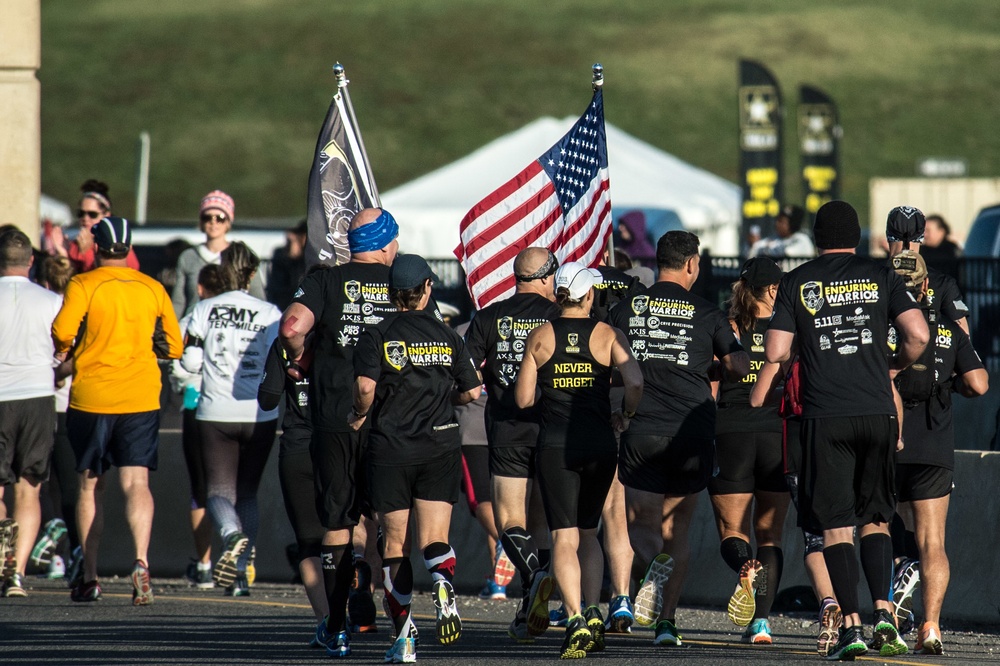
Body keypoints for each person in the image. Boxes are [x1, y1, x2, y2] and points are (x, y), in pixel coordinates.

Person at [764, 200, 929, 660]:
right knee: (877, 517)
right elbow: (917, 334)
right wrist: (891, 366)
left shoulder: (797, 281)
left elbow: (776, 351)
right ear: (857, 236)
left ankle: (851, 626)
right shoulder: (881, 275)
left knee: (836, 526)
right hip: (877, 411)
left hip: (824, 415)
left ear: (816, 238)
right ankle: (885, 616)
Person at [608, 230, 749, 646]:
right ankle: (667, 622)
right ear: (691, 264)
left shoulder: (626, 309)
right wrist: (715, 370)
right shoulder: (708, 313)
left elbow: (604, 358)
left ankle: (651, 567)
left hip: (642, 427)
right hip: (692, 429)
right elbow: (738, 364)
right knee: (679, 530)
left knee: (639, 523)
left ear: (659, 261)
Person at [280, 208, 401, 656]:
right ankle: (400, 626)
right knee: (392, 522)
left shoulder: (325, 281)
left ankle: (335, 626)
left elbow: (292, 327)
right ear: (387, 244)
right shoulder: (399, 281)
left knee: (338, 521)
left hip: (335, 417)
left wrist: (300, 359)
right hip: (392, 420)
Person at [350, 253, 482, 664]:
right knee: (434, 539)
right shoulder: (447, 335)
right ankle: (443, 581)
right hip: (440, 444)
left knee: (394, 545)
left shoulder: (378, 333)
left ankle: (405, 636)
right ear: (428, 289)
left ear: (392, 293)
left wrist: (358, 414)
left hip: (391, 449)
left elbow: (366, 388)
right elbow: (473, 392)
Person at [51, 216, 183, 605]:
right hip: (140, 397)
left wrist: (73, 347)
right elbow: (174, 345)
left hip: (92, 397)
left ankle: (90, 575)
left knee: (91, 486)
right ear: (129, 248)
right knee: (137, 484)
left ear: (97, 246)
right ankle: (141, 561)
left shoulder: (83, 284)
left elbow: (61, 331)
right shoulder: (152, 287)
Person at [515, 261, 643, 659]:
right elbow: (635, 380)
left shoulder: (540, 335)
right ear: (590, 296)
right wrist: (626, 414)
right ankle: (591, 610)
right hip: (600, 443)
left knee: (563, 536)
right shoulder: (608, 334)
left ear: (559, 295)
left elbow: (522, 400)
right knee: (589, 532)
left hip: (556, 446)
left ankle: (573, 620)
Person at [886, 250, 987, 655]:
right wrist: (954, 382)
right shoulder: (948, 328)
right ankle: (930, 626)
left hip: (886, 444)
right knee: (933, 542)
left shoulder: (878, 326)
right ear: (928, 287)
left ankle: (886, 615)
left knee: (881, 530)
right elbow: (979, 385)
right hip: (934, 445)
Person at [463, 247, 561, 641]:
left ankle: (533, 583)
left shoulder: (489, 318)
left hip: (506, 429)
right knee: (540, 524)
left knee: (509, 522)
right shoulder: (559, 319)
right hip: (553, 431)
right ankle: (532, 599)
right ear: (545, 277)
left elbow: (466, 376)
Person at [180, 242, 281, 597]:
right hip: (260, 413)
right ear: (252, 274)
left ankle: (229, 535)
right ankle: (239, 572)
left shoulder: (203, 309)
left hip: (214, 412)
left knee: (218, 491)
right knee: (248, 493)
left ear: (221, 271)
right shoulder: (270, 313)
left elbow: (189, 362)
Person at [709, 257, 789, 644]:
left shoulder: (728, 326)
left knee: (732, 530)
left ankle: (744, 566)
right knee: (770, 534)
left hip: (732, 430)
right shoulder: (787, 329)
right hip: (777, 432)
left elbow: (711, 390)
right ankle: (761, 623)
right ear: (773, 289)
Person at [0, 229, 63, 597]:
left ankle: (2, 557)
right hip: (38, 395)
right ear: (30, 261)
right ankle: (17, 572)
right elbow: (65, 351)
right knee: (29, 488)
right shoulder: (51, 300)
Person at [257, 322, 330, 635]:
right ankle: (360, 601)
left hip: (298, 446)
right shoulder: (348, 335)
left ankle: (328, 623)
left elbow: (268, 398)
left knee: (310, 542)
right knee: (354, 531)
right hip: (342, 444)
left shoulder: (285, 340)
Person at [170, 264, 226, 589]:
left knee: (201, 490)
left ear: (201, 288)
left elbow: (175, 362)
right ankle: (241, 569)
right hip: (237, 409)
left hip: (196, 404)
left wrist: (186, 383)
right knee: (238, 490)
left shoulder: (192, 318)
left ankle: (204, 564)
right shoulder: (245, 316)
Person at [453, 320, 512, 602]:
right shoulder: (513, 326)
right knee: (498, 503)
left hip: (473, 426)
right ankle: (497, 582)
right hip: (505, 424)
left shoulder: (464, 332)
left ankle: (509, 543)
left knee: (480, 503)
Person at [30, 256, 79, 582]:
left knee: (38, 481)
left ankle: (52, 528)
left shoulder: (41, 308)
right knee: (72, 487)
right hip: (74, 406)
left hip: (42, 403)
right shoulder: (78, 313)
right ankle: (73, 555)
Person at [172, 190, 264, 318]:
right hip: (193, 326)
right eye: (207, 217)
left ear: (228, 222)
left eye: (220, 218)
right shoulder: (188, 257)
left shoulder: (241, 257)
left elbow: (259, 299)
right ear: (201, 222)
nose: (213, 222)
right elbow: (178, 302)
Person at [50, 180, 141, 273]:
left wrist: (85, 254)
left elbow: (124, 274)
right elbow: (65, 282)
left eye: (92, 214)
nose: (85, 218)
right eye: (81, 213)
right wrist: (63, 253)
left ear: (107, 214)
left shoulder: (117, 243)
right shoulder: (74, 245)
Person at [268, 220, 309, 311]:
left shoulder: (311, 257)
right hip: (284, 304)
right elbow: (281, 285)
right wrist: (291, 257)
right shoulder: (281, 255)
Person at [748, 204, 815, 259]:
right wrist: (754, 245)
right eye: (777, 220)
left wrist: (767, 249)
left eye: (781, 221)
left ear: (792, 224)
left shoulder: (802, 239)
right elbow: (756, 248)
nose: (777, 224)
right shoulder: (774, 238)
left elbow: (787, 252)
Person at [919, 214, 961, 280]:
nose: (925, 235)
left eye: (928, 231)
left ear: (941, 232)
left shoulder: (952, 250)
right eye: (923, 231)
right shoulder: (920, 251)